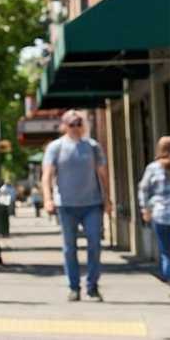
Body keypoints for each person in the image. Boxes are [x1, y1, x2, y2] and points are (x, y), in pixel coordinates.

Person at [42, 110, 110, 302]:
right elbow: (47, 175)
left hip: (92, 203)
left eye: (79, 123)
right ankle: (74, 287)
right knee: (69, 248)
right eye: (71, 124)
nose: (75, 127)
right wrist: (47, 199)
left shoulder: (93, 146)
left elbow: (103, 174)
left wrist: (108, 199)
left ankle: (92, 287)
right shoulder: (55, 147)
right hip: (66, 205)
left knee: (94, 244)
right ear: (64, 126)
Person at [138, 137, 170, 283]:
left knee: (166, 252)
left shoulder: (153, 167)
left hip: (161, 214)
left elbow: (143, 189)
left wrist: (145, 209)